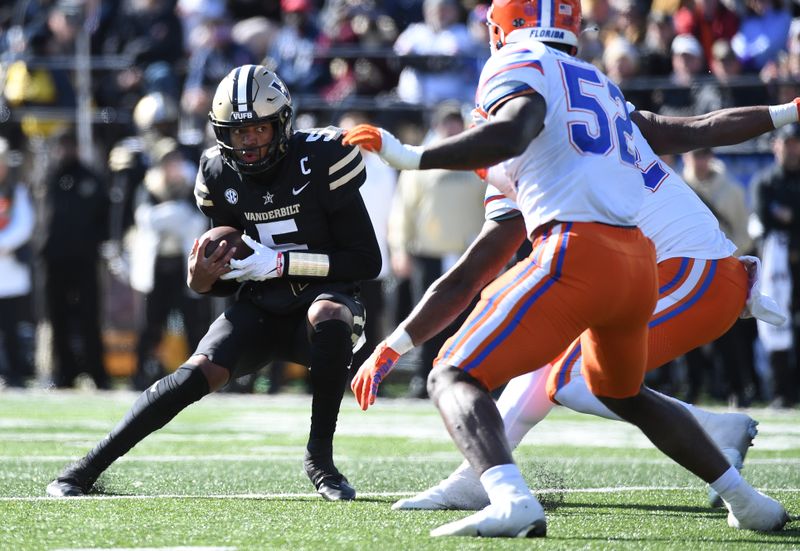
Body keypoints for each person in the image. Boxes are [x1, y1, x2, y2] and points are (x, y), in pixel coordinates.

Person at [343, 0, 789, 537]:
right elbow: (472, 266)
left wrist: (414, 156)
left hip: (655, 260)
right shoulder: (595, 86)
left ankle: (507, 491)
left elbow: (511, 134)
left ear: (504, 29)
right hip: (638, 263)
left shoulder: (519, 70)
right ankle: (744, 498)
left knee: (469, 373)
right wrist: (395, 342)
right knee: (603, 384)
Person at [384, 99, 797, 513]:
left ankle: (716, 432)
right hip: (656, 273)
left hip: (697, 272)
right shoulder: (588, 117)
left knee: (570, 378)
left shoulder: (551, 153)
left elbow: (473, 273)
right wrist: (785, 111)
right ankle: (476, 477)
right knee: (549, 360)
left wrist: (398, 343)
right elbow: (695, 128)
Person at [46, 65, 381, 501]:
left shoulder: (322, 158)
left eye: (259, 128)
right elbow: (226, 277)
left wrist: (281, 264)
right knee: (194, 374)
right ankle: (84, 469)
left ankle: (321, 460)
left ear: (281, 122)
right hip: (261, 307)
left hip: (324, 301)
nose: (250, 142)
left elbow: (365, 261)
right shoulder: (217, 173)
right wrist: (203, 279)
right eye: (238, 132)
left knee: (328, 314)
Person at [36, 128, 110, 390]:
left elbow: (104, 217)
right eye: (62, 146)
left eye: (70, 145)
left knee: (89, 316)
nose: (66, 151)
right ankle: (62, 373)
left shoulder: (91, 178)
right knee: (57, 317)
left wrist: (97, 243)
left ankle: (96, 373)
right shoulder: (50, 178)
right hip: (54, 260)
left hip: (85, 260)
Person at [0, 137, 35, 388]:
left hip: (10, 268)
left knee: (12, 326)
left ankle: (15, 373)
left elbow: (24, 225)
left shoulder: (16, 190)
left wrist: (3, 244)